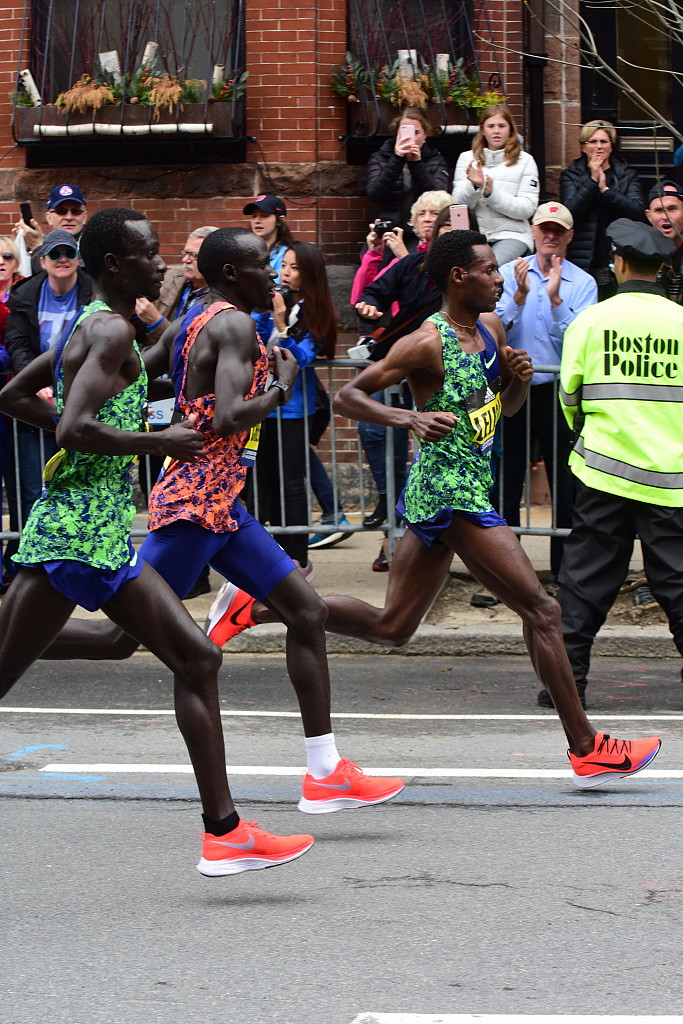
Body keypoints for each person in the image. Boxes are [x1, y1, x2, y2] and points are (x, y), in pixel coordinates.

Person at [208, 229, 662, 790]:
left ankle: (259, 606)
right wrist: (410, 418)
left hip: (461, 488)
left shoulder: (491, 329)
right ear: (459, 276)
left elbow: (503, 411)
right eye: (489, 269)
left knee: (392, 626)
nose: (499, 278)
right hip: (450, 493)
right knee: (543, 610)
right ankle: (588, 749)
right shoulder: (427, 342)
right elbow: (350, 395)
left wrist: (518, 382)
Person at [35, 226, 404, 825]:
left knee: (307, 612)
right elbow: (230, 416)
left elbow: (145, 370)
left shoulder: (195, 316)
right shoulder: (231, 324)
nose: (273, 273)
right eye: (262, 264)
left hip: (223, 505)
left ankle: (326, 772)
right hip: (193, 508)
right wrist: (280, 387)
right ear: (233, 273)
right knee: (119, 640)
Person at [0, 208, 318, 876]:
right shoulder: (109, 328)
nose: (163, 262)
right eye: (149, 253)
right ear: (116, 265)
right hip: (77, 534)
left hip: (97, 532)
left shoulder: (97, 325)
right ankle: (225, 833)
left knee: (196, 658)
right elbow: (72, 428)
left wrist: (98, 436)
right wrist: (157, 441)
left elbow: (16, 395)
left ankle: (225, 834)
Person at [543, 218, 683, 711]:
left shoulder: (591, 321)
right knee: (679, 584)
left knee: (583, 585)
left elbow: (570, 396)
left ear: (619, 263)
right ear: (661, 269)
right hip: (671, 477)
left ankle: (565, 688)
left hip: (604, 472)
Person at [494, 201, 597, 579]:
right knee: (506, 484)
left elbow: (582, 342)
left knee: (565, 485)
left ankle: (566, 573)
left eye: (558, 230)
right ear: (533, 231)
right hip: (513, 391)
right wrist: (518, 299)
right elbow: (490, 330)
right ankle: (508, 574)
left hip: (558, 394)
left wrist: (555, 302)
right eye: (545, 229)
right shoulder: (508, 273)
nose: (551, 235)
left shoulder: (583, 283)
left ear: (569, 236)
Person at [354, 201, 455, 563]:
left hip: (448, 381)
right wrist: (369, 304)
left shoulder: (476, 278)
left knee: (435, 459)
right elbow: (374, 291)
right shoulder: (413, 265)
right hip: (400, 368)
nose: (452, 241)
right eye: (446, 232)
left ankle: (426, 540)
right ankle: (392, 516)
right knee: (376, 434)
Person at [133, 225, 220, 603]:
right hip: (159, 399)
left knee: (188, 489)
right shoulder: (174, 286)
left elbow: (189, 347)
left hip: (192, 409)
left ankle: (191, 575)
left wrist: (155, 321)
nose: (184, 259)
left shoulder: (218, 303)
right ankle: (163, 577)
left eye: (193, 255)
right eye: (183, 252)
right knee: (156, 480)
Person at [2, 229, 93, 586]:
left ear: (77, 258)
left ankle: (78, 562)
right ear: (42, 261)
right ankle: (32, 570)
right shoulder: (24, 295)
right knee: (31, 489)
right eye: (54, 254)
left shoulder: (93, 292)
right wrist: (36, 382)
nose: (62, 259)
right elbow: (17, 343)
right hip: (35, 406)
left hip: (83, 402)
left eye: (68, 252)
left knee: (81, 486)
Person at [252, 240, 339, 576]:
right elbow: (255, 343)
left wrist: (282, 325)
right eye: (283, 265)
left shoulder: (316, 311)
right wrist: (265, 313)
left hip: (292, 410)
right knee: (261, 481)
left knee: (291, 481)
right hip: (261, 406)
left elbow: (299, 357)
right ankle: (267, 553)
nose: (285, 273)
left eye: (294, 267)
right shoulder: (278, 301)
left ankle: (298, 558)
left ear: (310, 273)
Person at [560, 119, 644, 299]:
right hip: (583, 254)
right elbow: (569, 215)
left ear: (611, 147)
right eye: (593, 141)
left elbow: (637, 211)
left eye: (604, 141)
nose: (599, 146)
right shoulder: (571, 174)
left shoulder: (626, 174)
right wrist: (592, 181)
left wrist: (606, 190)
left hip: (616, 253)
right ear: (584, 147)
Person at [452, 103, 539, 265]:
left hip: (512, 234)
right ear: (483, 130)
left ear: (510, 130)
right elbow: (457, 205)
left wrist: (491, 193)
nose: (496, 131)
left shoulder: (526, 160)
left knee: (489, 267)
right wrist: (474, 186)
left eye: (502, 126)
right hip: (474, 235)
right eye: (491, 126)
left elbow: (527, 209)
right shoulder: (466, 158)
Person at [365, 107, 450, 230]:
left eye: (416, 132)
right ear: (397, 133)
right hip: (389, 228)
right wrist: (396, 159)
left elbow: (439, 198)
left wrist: (416, 164)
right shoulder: (380, 157)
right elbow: (374, 194)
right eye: (404, 132)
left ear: (425, 134)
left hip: (422, 230)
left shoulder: (436, 159)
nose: (412, 138)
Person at [0, 237, 22, 592]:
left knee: (23, 492)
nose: (0, 261)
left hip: (18, 414)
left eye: (6, 255)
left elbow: (19, 348)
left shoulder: (23, 298)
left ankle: (18, 566)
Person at [13, 183, 88, 273]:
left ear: (84, 217)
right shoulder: (42, 242)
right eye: (61, 211)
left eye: (75, 211)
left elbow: (68, 276)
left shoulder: (95, 246)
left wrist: (38, 247)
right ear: (49, 218)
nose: (69, 217)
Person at [645, 179, 683, 302]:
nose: (665, 217)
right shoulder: (640, 256)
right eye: (659, 210)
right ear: (649, 216)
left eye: (672, 209)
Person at [243, 195, 293, 282]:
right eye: (254, 216)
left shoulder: (287, 255)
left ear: (280, 221)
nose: (257, 221)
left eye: (264, 215)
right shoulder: (244, 252)